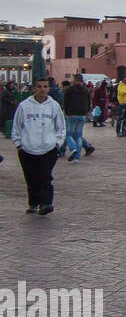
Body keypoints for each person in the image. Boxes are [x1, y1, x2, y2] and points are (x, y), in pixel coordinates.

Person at [11, 77, 66, 215]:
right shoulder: (24, 105)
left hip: (48, 148)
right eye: (39, 87)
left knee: (46, 176)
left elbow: (61, 127)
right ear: (34, 88)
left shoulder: (54, 106)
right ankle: (33, 202)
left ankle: (46, 203)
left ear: (48, 88)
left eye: (45, 87)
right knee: (31, 177)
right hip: (28, 148)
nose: (42, 90)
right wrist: (18, 144)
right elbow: (17, 125)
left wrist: (57, 143)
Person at [62, 73, 94, 161]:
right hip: (82, 115)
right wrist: (86, 112)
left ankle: (73, 149)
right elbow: (89, 102)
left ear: (75, 80)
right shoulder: (86, 90)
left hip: (72, 114)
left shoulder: (70, 90)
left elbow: (66, 102)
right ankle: (77, 156)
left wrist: (67, 112)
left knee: (68, 134)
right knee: (78, 135)